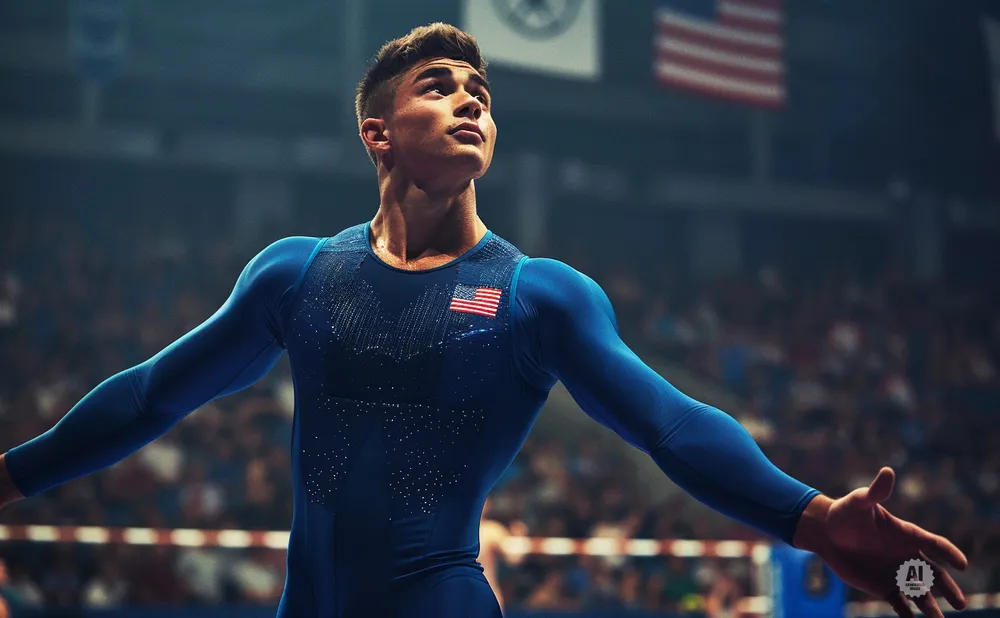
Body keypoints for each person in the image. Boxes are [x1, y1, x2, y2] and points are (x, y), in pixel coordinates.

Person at [0, 22, 970, 618]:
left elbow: (667, 423)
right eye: (438, 87)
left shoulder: (536, 294)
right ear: (376, 132)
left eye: (481, 93)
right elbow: (149, 397)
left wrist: (805, 517)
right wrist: (10, 478)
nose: (469, 99)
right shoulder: (294, 273)